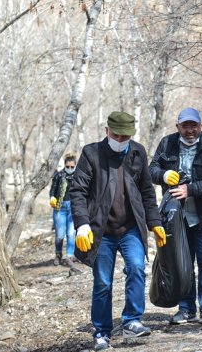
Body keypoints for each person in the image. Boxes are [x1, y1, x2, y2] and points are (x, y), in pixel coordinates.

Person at [69, 111, 167, 351]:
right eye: (116, 135)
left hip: (131, 227)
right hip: (101, 231)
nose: (120, 140)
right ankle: (101, 332)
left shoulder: (137, 152)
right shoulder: (91, 153)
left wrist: (154, 222)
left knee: (136, 268)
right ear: (107, 131)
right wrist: (82, 224)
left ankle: (132, 321)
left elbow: (146, 190)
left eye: (125, 136)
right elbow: (77, 190)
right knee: (102, 282)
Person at [149, 107, 202, 325]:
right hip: (178, 218)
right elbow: (152, 170)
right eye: (185, 126)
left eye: (194, 125)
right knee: (182, 262)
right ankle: (186, 309)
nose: (190, 130)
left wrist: (190, 189)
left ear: (201, 126)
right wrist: (164, 174)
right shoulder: (167, 143)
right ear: (178, 127)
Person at [49, 153, 77, 267]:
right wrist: (52, 197)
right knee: (60, 235)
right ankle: (58, 254)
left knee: (71, 233)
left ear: (75, 166)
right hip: (60, 207)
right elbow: (53, 189)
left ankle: (69, 256)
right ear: (65, 165)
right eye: (68, 167)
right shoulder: (59, 175)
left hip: (74, 207)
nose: (69, 169)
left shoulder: (79, 175)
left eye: (72, 167)